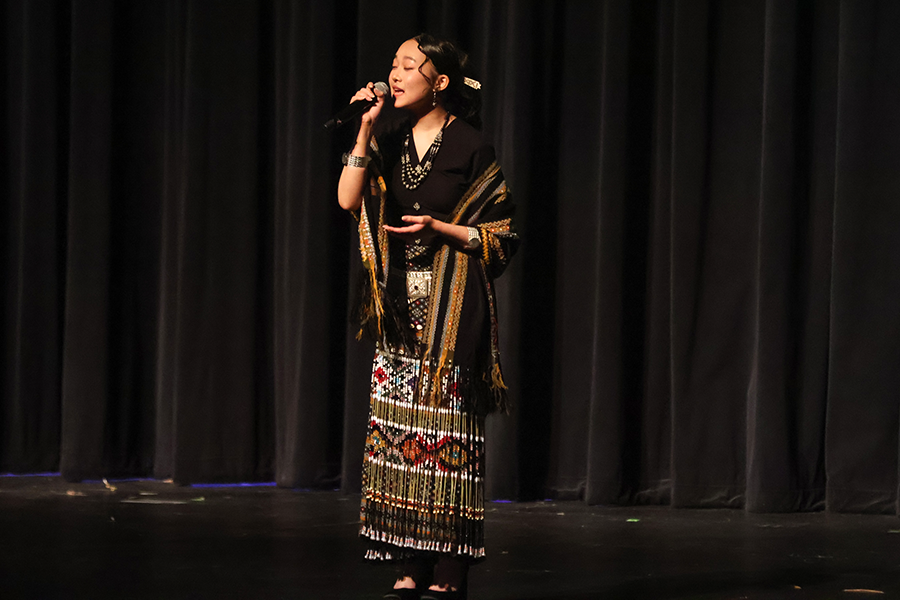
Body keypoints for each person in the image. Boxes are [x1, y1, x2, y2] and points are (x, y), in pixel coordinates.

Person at [337, 33, 518, 600]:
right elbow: (348, 199)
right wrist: (365, 129)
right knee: (399, 437)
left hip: (452, 312)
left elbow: (502, 235)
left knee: (447, 438)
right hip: (398, 312)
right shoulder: (387, 140)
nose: (395, 73)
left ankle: (451, 567)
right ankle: (409, 557)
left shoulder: (470, 144)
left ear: (439, 81)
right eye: (393, 63)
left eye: (408, 65)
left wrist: (440, 229)